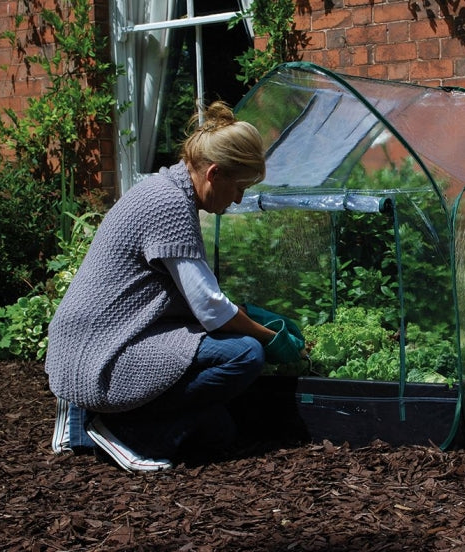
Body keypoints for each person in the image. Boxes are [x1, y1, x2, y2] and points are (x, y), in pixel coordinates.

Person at [45, 102, 305, 472]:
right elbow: (211, 309)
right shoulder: (168, 204)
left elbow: (190, 297)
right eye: (239, 187)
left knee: (219, 435)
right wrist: (268, 336)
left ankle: (81, 419)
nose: (239, 200)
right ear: (214, 173)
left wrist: (245, 314)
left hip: (102, 339)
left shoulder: (166, 190)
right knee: (245, 354)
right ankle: (124, 429)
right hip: (102, 350)